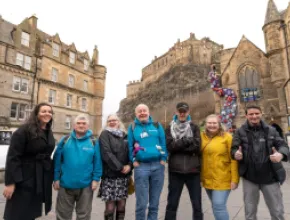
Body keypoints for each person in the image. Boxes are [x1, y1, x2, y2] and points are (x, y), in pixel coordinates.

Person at [231, 104, 289, 220]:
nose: (254, 116)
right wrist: (236, 154)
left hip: (270, 177)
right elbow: (234, 148)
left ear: (261, 114)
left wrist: (281, 154)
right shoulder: (240, 132)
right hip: (249, 177)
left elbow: (283, 145)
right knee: (250, 213)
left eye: (256, 113)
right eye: (251, 114)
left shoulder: (271, 130)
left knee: (277, 212)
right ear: (246, 115)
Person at [3, 102, 55, 220]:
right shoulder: (23, 131)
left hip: (39, 178)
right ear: (36, 113)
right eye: (44, 111)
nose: (47, 113)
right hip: (23, 177)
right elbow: (13, 157)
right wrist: (10, 183)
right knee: (17, 213)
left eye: (49, 111)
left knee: (31, 213)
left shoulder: (48, 131)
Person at [53, 114, 102, 220]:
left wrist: (96, 179)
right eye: (78, 123)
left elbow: (97, 162)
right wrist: (56, 178)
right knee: (63, 216)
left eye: (84, 123)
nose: (81, 125)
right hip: (65, 184)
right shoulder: (65, 140)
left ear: (88, 126)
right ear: (74, 126)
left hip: (86, 185)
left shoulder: (93, 142)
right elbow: (57, 160)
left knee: (83, 215)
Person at [127, 104, 167, 220]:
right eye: (139, 111)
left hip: (157, 166)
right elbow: (130, 146)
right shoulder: (133, 127)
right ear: (136, 114)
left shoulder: (157, 125)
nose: (142, 113)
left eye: (144, 111)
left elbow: (163, 143)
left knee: (154, 204)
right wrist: (133, 160)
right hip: (141, 167)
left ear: (149, 112)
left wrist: (163, 159)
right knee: (142, 204)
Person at [165, 102, 203, 220]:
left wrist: (178, 144)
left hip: (193, 171)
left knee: (197, 204)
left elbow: (197, 146)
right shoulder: (169, 128)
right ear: (176, 112)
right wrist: (187, 140)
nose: (182, 113)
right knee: (172, 203)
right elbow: (170, 147)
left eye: (184, 111)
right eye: (180, 111)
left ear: (188, 112)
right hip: (175, 172)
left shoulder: (194, 127)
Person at [201, 114, 239, 220]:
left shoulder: (227, 137)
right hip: (207, 178)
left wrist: (235, 180)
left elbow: (233, 159)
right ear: (205, 124)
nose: (212, 125)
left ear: (219, 124)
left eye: (214, 123)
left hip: (223, 178)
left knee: (218, 206)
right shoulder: (201, 136)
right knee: (215, 205)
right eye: (209, 123)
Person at [98, 114, 133, 220]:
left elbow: (131, 153)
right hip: (110, 176)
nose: (112, 122)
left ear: (119, 122)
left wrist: (130, 166)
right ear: (107, 123)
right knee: (110, 208)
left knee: (122, 207)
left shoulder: (125, 135)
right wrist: (121, 167)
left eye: (115, 120)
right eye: (109, 121)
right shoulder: (104, 134)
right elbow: (107, 153)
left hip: (123, 177)